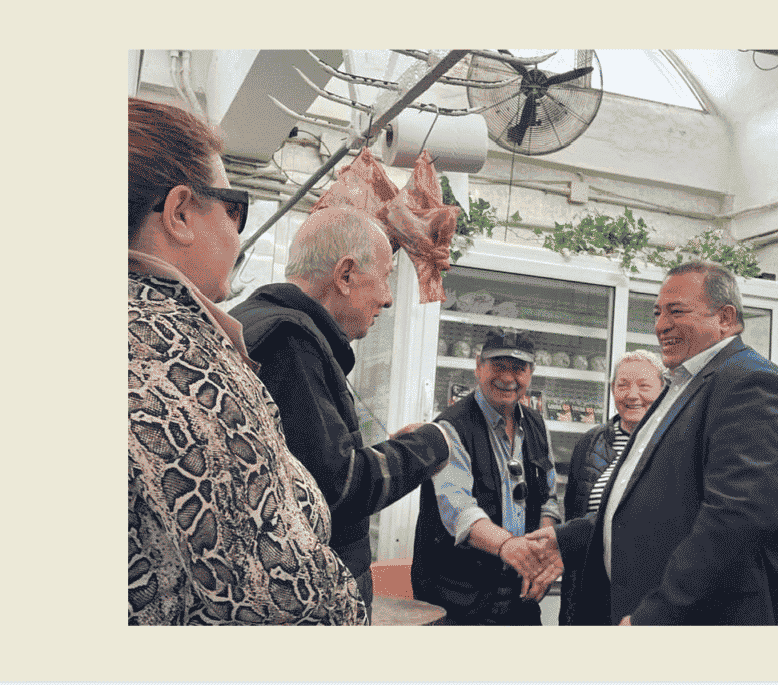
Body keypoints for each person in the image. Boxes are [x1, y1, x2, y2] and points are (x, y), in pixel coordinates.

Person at [128, 97, 364, 625]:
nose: (237, 232)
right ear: (180, 213)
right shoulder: (180, 361)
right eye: (234, 207)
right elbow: (277, 591)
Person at [529, 260, 778, 625]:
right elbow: (659, 505)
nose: (661, 325)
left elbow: (736, 522)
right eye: (657, 313)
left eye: (676, 311)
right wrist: (568, 539)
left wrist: (659, 614)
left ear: (725, 318)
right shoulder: (682, 386)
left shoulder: (750, 384)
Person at [229, 205, 452, 622]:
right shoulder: (290, 345)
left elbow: (309, 469)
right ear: (345, 275)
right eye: (385, 277)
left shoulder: (253, 323)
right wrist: (428, 446)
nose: (388, 298)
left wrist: (391, 451)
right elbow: (338, 486)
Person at [411, 328, 562, 625]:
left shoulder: (536, 425)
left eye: (518, 368)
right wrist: (510, 547)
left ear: (531, 374)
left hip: (520, 596)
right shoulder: (451, 426)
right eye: (498, 366)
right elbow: (460, 512)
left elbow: (548, 500)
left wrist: (541, 554)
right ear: (478, 366)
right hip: (459, 598)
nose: (507, 377)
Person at [559, 349, 665, 625]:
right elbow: (573, 517)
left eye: (644, 386)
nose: (632, 395)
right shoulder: (589, 443)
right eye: (623, 385)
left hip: (646, 596)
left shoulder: (672, 444)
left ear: (663, 391)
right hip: (590, 594)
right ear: (612, 389)